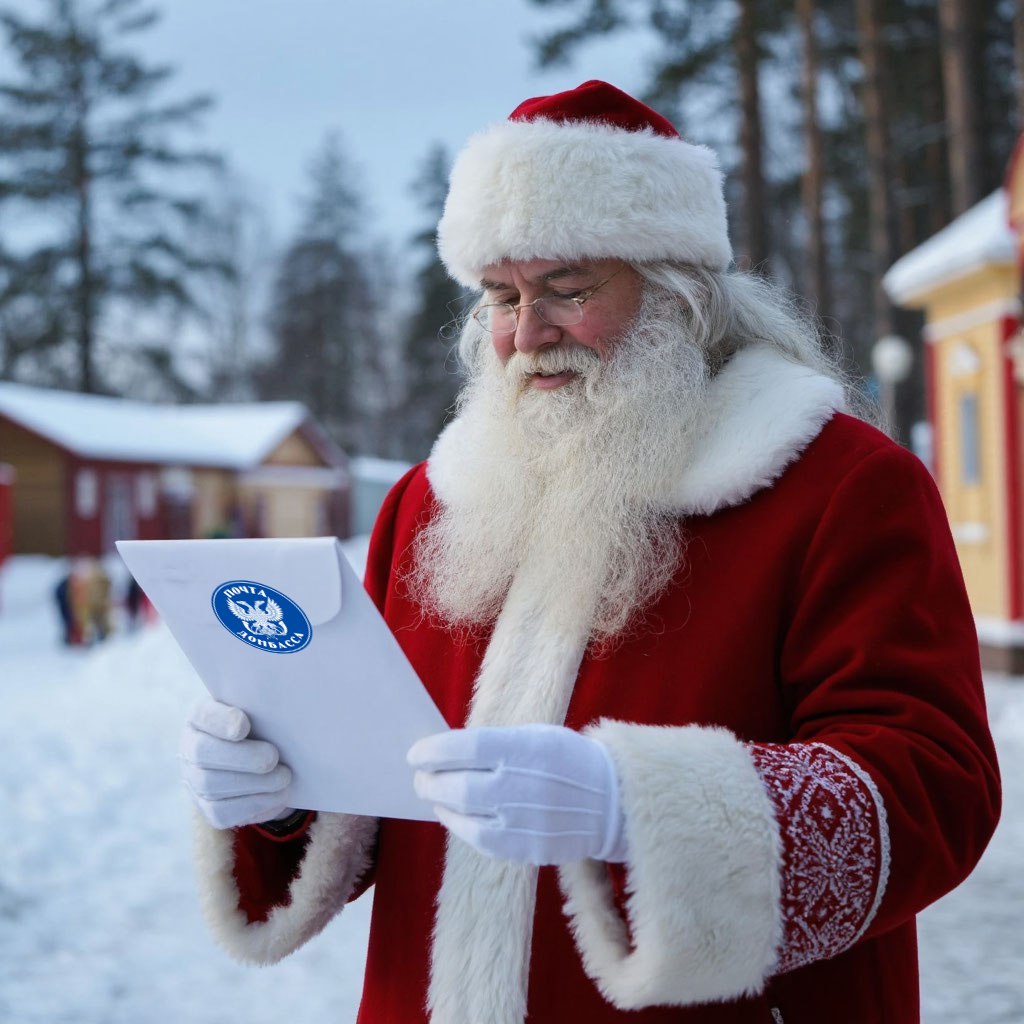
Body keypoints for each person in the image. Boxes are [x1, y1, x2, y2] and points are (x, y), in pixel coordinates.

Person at [179, 81, 1000, 1023]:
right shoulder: (431, 504)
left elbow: (937, 785)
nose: (527, 335)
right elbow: (385, 789)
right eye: (501, 297)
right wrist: (281, 794)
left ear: (681, 295)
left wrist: (640, 810)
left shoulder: (839, 486)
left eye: (569, 290)